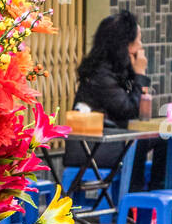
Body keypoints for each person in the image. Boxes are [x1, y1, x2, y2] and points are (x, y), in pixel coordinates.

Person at [68, 10, 166, 190]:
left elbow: (138, 112)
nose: (140, 47)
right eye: (138, 41)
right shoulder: (101, 74)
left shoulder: (117, 70)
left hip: (113, 140)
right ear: (124, 45)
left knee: (164, 135)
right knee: (140, 141)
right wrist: (140, 75)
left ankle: (155, 195)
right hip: (95, 147)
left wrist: (136, 77)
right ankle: (136, 197)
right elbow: (129, 110)